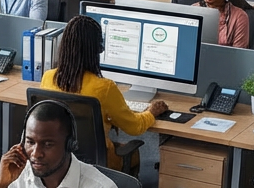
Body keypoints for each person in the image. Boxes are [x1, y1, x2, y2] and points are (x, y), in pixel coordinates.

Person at [41, 15, 166, 171]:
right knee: (132, 153)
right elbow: (135, 127)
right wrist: (151, 112)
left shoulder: (48, 77)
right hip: (94, 163)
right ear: (97, 49)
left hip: (58, 158)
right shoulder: (104, 88)